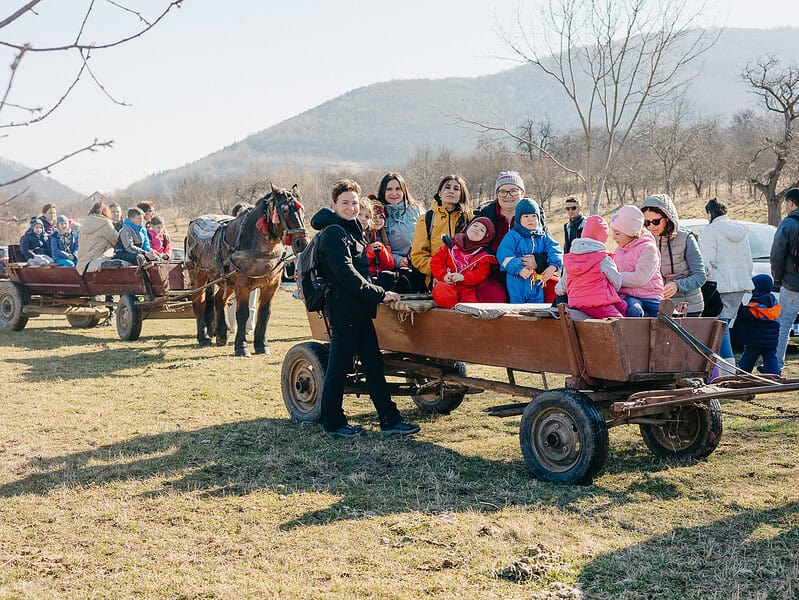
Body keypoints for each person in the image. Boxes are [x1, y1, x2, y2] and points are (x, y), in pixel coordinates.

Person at [310, 179, 419, 437]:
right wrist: (380, 294)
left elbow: (362, 272)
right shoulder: (334, 233)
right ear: (334, 205)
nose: (350, 208)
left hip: (357, 308)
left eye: (354, 203)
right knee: (339, 365)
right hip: (343, 309)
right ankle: (333, 422)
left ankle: (389, 420)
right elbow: (346, 276)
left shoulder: (351, 230)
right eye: (345, 203)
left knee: (373, 363)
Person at [700, 198, 753, 371]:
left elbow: (707, 262)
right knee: (724, 327)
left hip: (719, 285)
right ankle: (725, 370)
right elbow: (748, 260)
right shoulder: (740, 231)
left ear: (710, 213)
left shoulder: (710, 231)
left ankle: (727, 371)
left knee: (719, 327)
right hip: (740, 284)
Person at [640, 194, 706, 316]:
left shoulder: (686, 238)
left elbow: (700, 276)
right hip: (659, 307)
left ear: (668, 218)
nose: (651, 227)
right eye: (647, 223)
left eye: (656, 221)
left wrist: (677, 285)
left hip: (688, 307)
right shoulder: (645, 239)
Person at [555, 215, 626, 318]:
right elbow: (617, 282)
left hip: (576, 303)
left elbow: (561, 287)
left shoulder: (570, 259)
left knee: (621, 305)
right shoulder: (603, 258)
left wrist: (558, 289)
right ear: (603, 238)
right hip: (599, 304)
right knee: (620, 318)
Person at [410, 174, 473, 290]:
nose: (451, 191)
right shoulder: (427, 219)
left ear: (462, 194)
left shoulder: (470, 219)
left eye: (456, 189)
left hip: (465, 278)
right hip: (436, 279)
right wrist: (440, 272)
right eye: (447, 187)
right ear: (439, 192)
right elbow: (418, 256)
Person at [474, 171, 526, 302]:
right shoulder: (485, 216)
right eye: (502, 191)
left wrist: (538, 260)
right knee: (490, 293)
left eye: (513, 190)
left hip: (527, 273)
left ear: (523, 193)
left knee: (552, 288)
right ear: (497, 195)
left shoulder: (534, 216)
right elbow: (471, 246)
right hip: (494, 275)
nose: (508, 196)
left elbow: (548, 246)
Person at [497, 198, 562, 304]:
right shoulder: (513, 235)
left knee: (537, 304)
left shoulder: (542, 236)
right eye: (526, 216)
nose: (530, 220)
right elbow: (503, 254)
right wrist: (518, 268)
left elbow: (555, 250)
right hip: (517, 278)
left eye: (534, 216)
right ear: (519, 219)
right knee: (517, 305)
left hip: (537, 279)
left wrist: (553, 266)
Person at [430, 216, 497, 308]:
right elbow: (437, 262)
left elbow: (480, 274)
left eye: (482, 230)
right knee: (441, 290)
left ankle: (466, 319)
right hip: (447, 283)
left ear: (486, 237)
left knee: (471, 304)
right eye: (475, 226)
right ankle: (452, 310)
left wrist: (464, 277)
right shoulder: (451, 245)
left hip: (467, 287)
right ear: (469, 227)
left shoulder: (483, 255)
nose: (477, 230)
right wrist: (443, 275)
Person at [610, 205, 664, 317]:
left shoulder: (648, 249)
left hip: (650, 295)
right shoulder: (618, 252)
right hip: (628, 296)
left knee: (665, 316)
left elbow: (640, 278)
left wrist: (615, 277)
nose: (614, 238)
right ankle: (633, 334)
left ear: (631, 232)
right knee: (633, 309)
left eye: (617, 233)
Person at [376, 172, 426, 292]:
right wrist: (398, 261)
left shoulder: (416, 210)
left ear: (404, 190)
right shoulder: (379, 216)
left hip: (418, 264)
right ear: (383, 192)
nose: (394, 193)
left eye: (398, 189)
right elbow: (377, 246)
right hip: (393, 269)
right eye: (389, 189)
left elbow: (427, 237)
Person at [769, 187, 799, 373]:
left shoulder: (788, 224)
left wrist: (777, 279)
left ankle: (776, 365)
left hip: (792, 284)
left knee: (783, 326)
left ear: (790, 203)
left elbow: (777, 255)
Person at [735, 274, 781, 375]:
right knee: (771, 358)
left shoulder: (756, 304)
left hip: (755, 339)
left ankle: (741, 374)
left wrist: (739, 305)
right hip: (771, 340)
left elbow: (746, 315)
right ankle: (775, 374)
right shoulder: (773, 302)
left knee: (748, 358)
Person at [225, 202, 257, 337]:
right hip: (235, 273)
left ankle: (249, 328)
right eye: (240, 214)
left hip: (252, 272)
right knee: (233, 301)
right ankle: (232, 327)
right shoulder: (229, 232)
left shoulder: (254, 233)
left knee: (252, 302)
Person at [76, 201, 120, 275]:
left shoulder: (84, 224)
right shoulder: (105, 223)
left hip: (82, 263)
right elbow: (117, 241)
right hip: (97, 260)